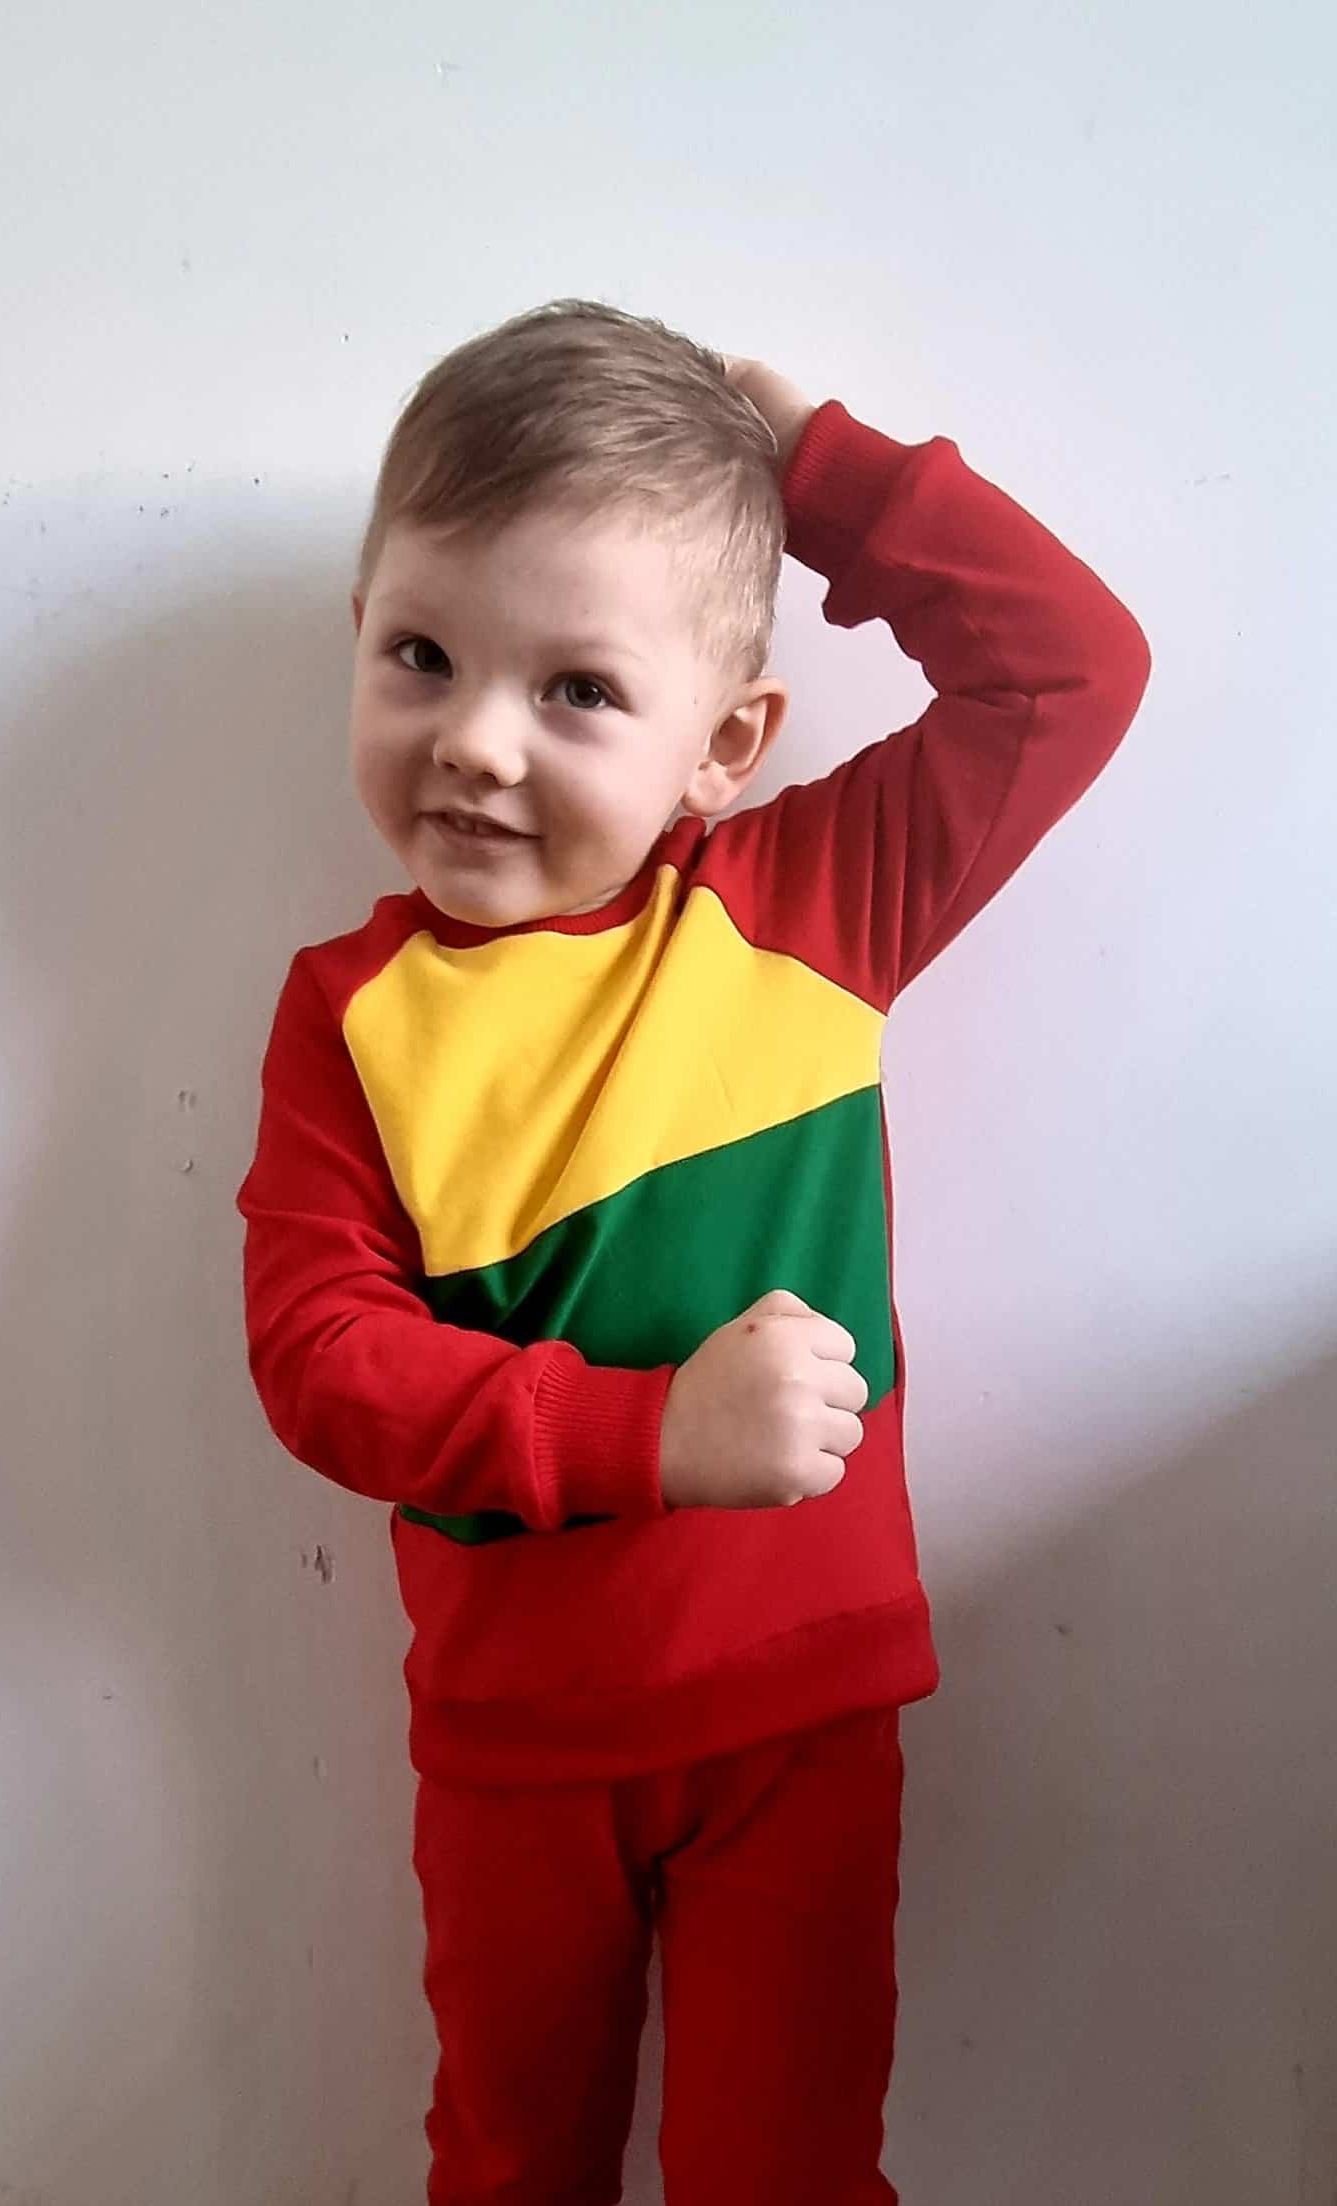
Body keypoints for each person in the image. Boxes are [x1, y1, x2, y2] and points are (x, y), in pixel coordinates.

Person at [236, 297, 1150, 2204]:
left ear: (724, 742)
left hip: (795, 1713)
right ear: (361, 637)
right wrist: (651, 1431)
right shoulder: (348, 1015)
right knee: (512, 2165)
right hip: (513, 1742)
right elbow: (319, 1359)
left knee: (783, 2173)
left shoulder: (809, 902)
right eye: (422, 655)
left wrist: (819, 467)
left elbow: (1071, 669)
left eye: (578, 688)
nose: (474, 741)